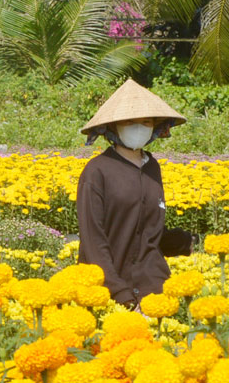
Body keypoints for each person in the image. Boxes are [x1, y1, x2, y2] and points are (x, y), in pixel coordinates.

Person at [75, 79, 187, 310]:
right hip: (109, 294)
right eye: (130, 121)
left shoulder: (152, 167)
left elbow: (149, 233)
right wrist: (120, 293)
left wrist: (188, 243)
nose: (138, 127)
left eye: (145, 122)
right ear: (113, 127)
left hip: (154, 290)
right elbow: (93, 240)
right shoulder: (97, 171)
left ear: (155, 127)